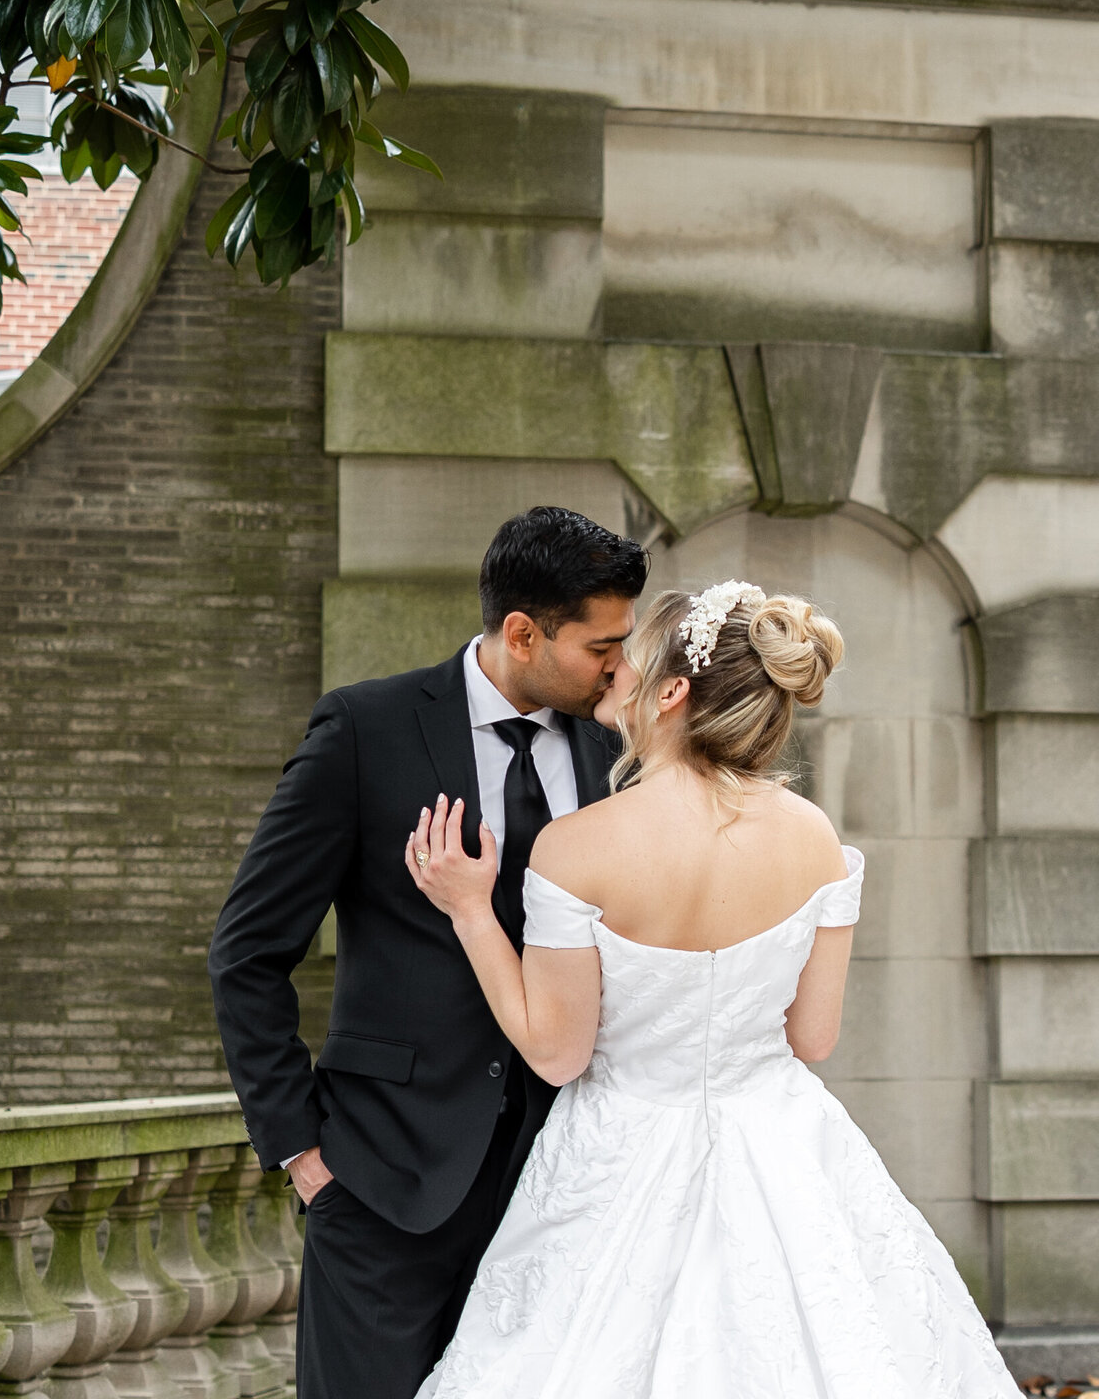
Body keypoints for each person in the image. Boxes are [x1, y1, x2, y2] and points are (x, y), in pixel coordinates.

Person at [406, 580, 1022, 1399]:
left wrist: (472, 912)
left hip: (618, 1156)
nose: (610, 673)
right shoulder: (812, 836)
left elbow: (557, 1053)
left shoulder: (576, 847)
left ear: (669, 692)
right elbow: (813, 1039)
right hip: (781, 1145)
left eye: (629, 663)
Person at [207, 506, 649, 1399]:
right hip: (382, 1188)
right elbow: (247, 951)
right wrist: (303, 1157)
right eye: (602, 646)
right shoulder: (364, 732)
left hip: (564, 1194)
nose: (621, 667)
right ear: (523, 633)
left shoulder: (619, 754)